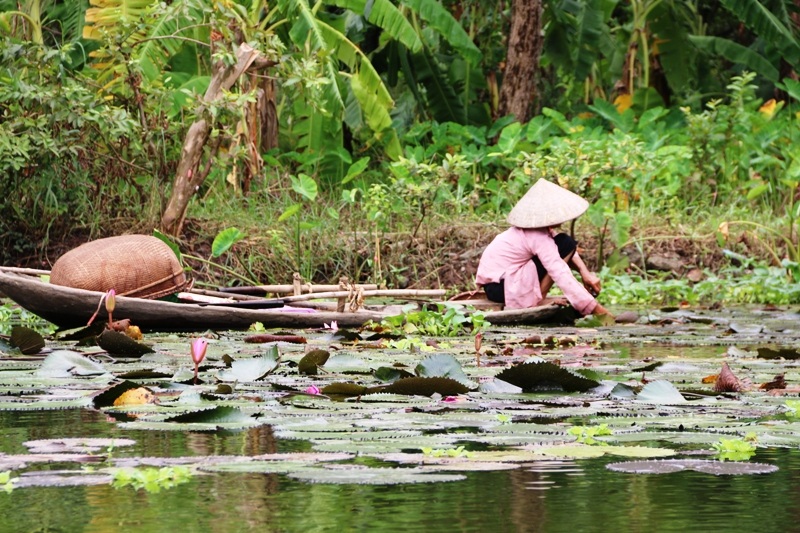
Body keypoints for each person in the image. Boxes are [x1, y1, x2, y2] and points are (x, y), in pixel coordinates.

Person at [475, 178, 613, 318]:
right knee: (566, 243)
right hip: (503, 288)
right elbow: (559, 271)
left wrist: (585, 273)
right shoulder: (537, 236)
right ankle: (538, 299)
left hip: (495, 287)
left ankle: (538, 296)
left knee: (565, 243)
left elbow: (564, 251)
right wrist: (596, 310)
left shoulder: (536, 232)